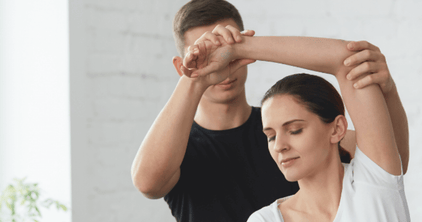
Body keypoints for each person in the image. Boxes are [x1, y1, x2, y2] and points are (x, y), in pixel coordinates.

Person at [131, 0, 409, 221]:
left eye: (294, 130)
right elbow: (146, 182)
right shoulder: (180, 149)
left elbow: (391, 159)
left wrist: (241, 47)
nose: (280, 145)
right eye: (272, 135)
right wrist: (197, 77)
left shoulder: (295, 126)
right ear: (181, 67)